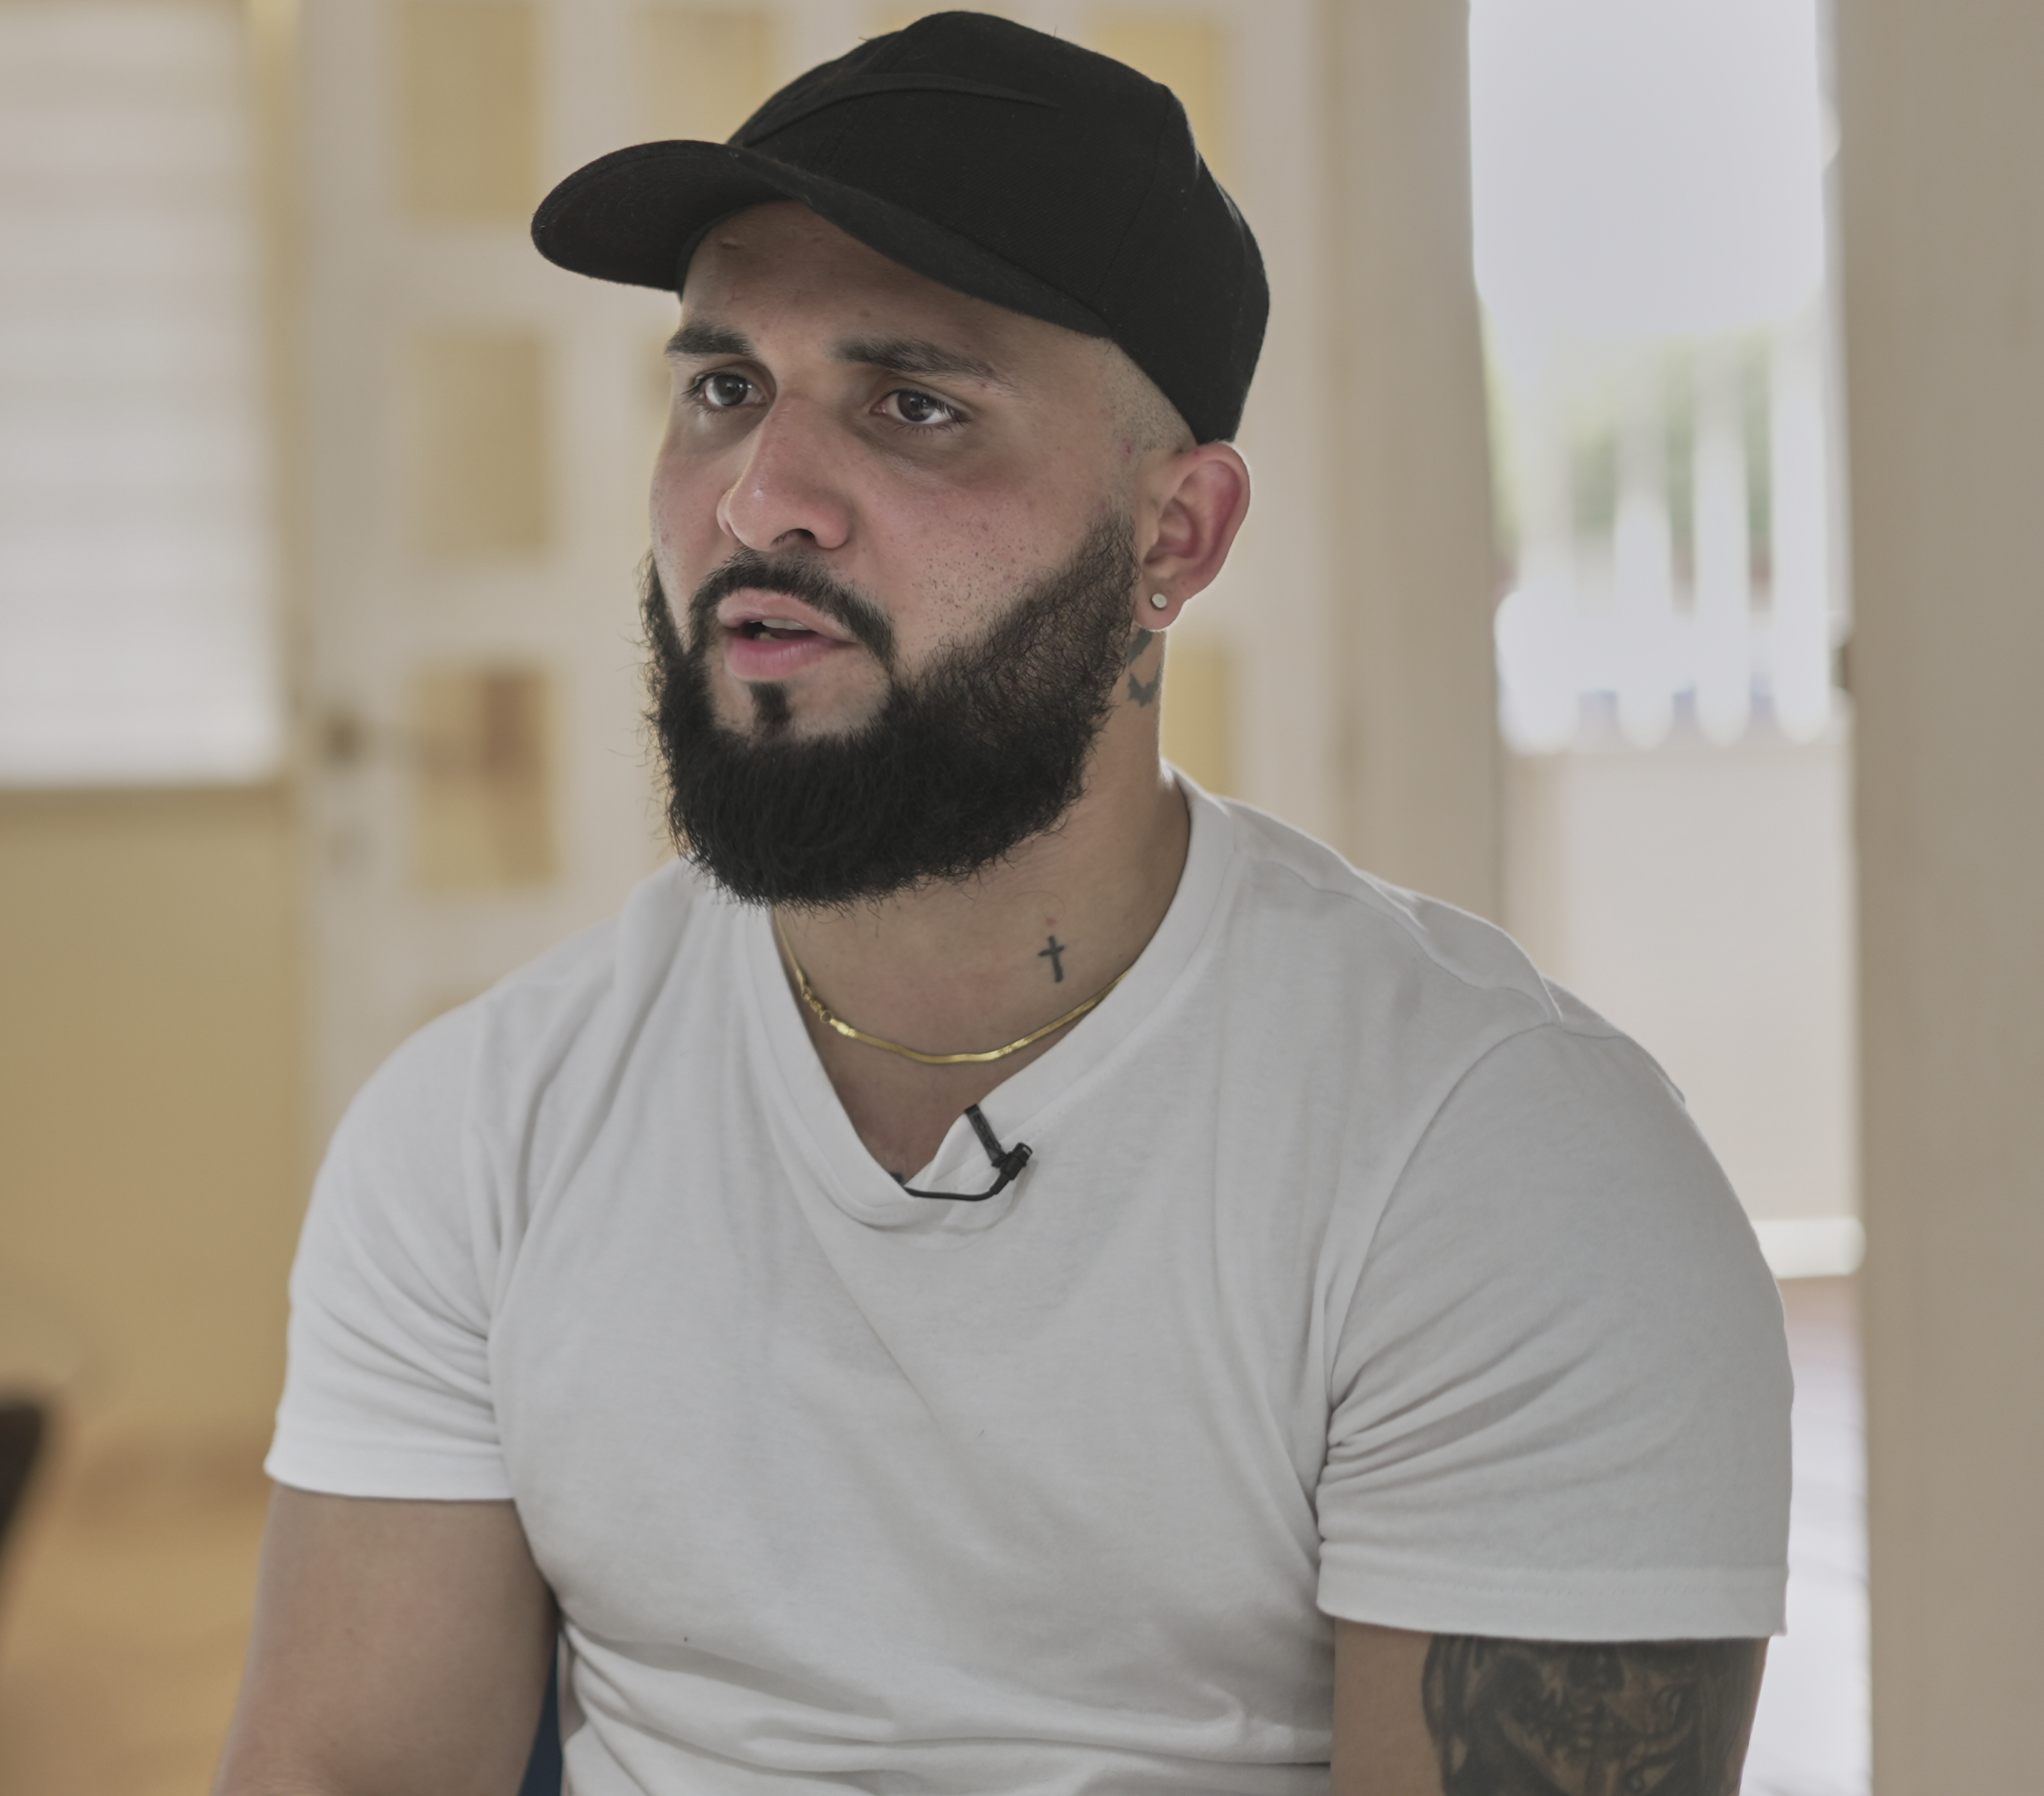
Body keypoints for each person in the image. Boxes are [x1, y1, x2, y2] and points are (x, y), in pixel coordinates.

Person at [218, 13, 1790, 1794]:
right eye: (725, 386)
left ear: (1176, 538)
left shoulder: (1503, 1171)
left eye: (917, 406)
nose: (761, 500)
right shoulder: (485, 1129)